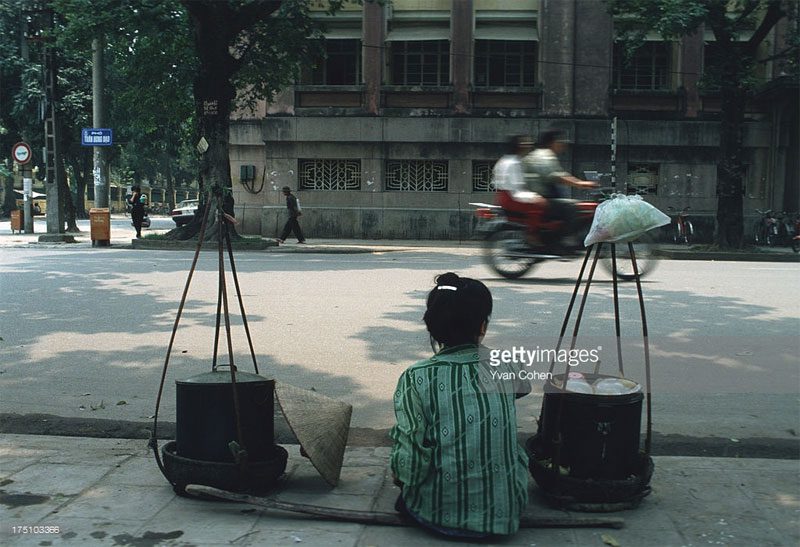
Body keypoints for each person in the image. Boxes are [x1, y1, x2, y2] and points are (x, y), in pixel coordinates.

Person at [390, 272, 529, 539]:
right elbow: (521, 390)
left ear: (433, 328)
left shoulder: (416, 376)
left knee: (407, 467)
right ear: (482, 327)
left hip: (438, 514)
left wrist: (400, 475)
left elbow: (412, 461)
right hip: (506, 514)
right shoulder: (507, 364)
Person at [522, 129, 598, 249]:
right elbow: (555, 175)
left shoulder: (542, 154)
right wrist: (581, 184)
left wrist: (579, 183)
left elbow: (559, 174)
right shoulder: (544, 155)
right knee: (572, 207)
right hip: (541, 198)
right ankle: (564, 239)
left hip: (540, 196)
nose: (562, 144)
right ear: (551, 142)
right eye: (559, 141)